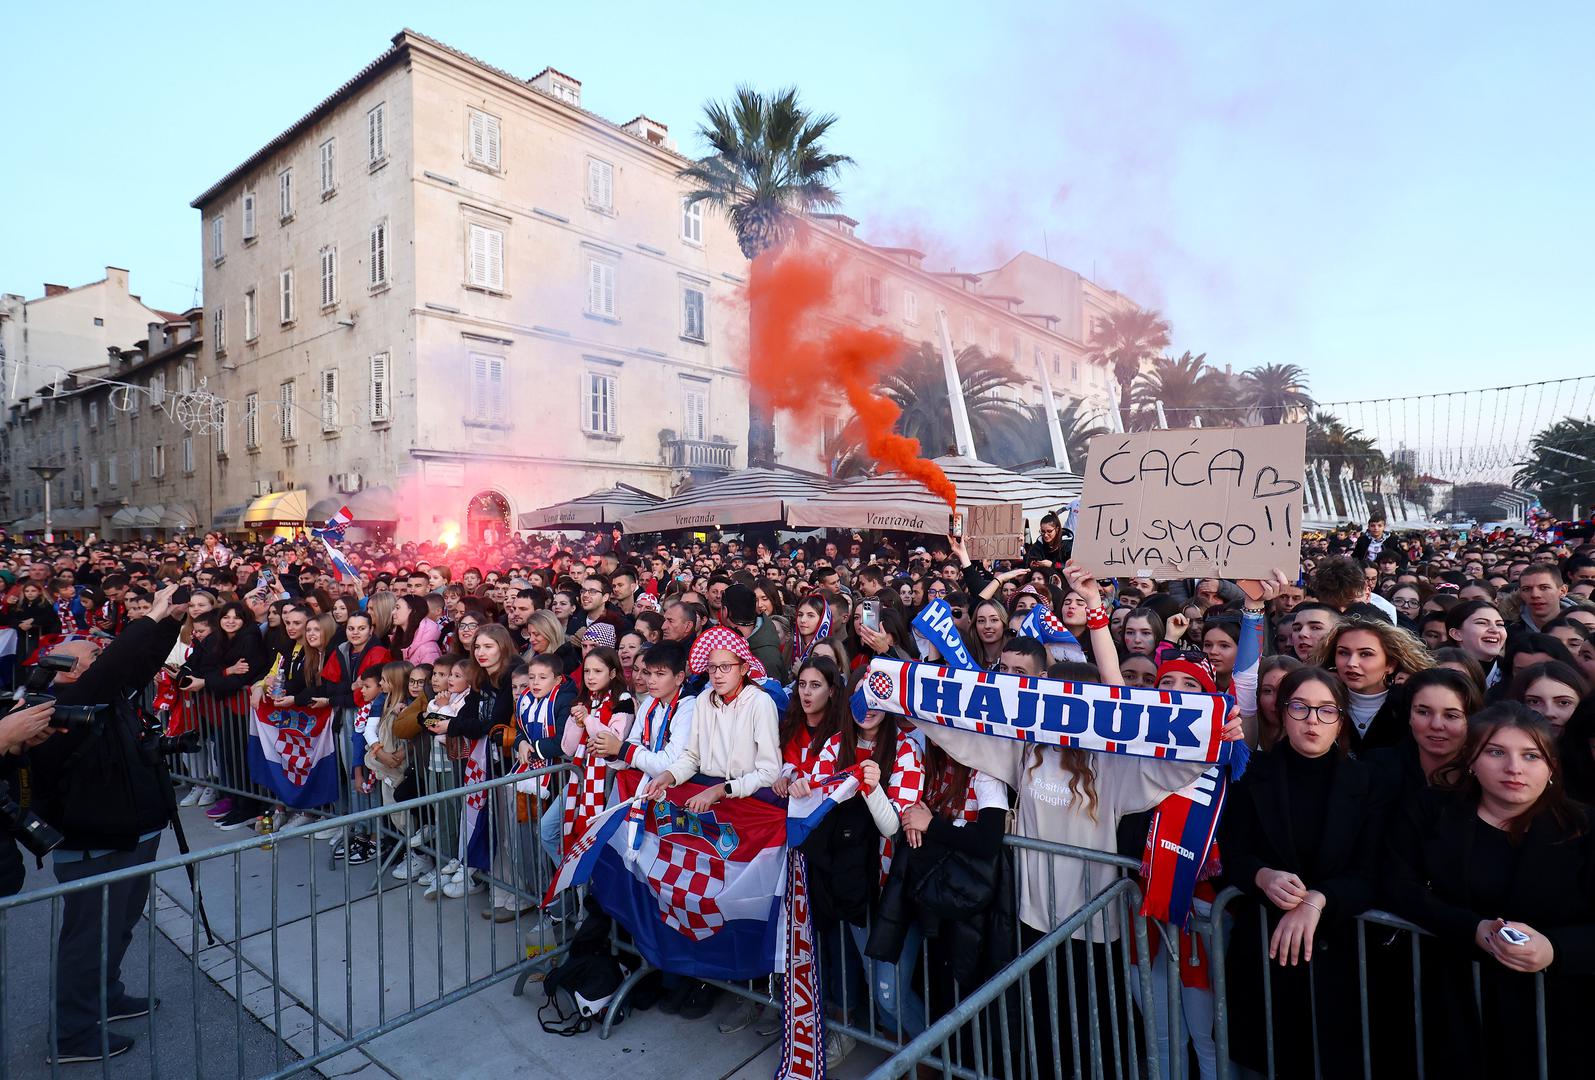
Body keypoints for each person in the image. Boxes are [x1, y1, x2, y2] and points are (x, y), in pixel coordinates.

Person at [1384, 703, 1595, 1080]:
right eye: (1496, 752)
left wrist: (1555, 950)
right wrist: (1471, 928)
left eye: (1531, 755)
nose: (1514, 767)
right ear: (1471, 761)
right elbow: (1398, 885)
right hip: (1453, 1009)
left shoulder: (1583, 827)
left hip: (1560, 1019)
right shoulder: (1431, 812)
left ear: (1550, 767)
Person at [28, 584, 189, 1063]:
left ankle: (107, 995)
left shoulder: (103, 694)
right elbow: (119, 661)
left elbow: (137, 663)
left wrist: (172, 619)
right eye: (93, 654)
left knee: (120, 925)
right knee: (87, 938)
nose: (103, 656)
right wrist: (152, 613)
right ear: (71, 669)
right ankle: (73, 1034)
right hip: (93, 841)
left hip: (133, 830)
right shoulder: (49, 710)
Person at [1218, 665, 1388, 1079]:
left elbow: (1373, 869)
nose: (1313, 720)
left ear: (1341, 719)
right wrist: (1262, 876)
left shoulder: (1368, 782)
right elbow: (1232, 852)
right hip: (1265, 954)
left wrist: (1318, 900)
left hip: (1343, 960)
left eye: (1326, 710)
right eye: (1300, 708)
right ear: (1282, 712)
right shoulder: (1248, 776)